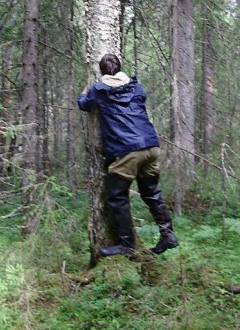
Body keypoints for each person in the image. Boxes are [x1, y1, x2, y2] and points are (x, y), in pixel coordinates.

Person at [77, 53, 179, 257]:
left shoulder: (99, 89)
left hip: (127, 149)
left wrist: (83, 93)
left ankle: (126, 245)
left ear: (101, 71)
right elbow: (139, 101)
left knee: (116, 196)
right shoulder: (136, 86)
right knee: (151, 192)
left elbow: (84, 105)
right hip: (151, 146)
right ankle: (167, 234)